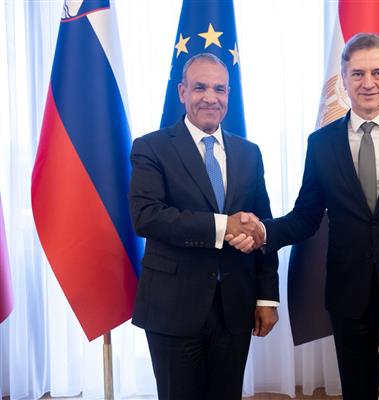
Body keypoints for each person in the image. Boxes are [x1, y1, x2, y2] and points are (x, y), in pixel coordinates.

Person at [227, 33, 379, 400]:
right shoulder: (321, 143)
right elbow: (306, 216)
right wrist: (263, 231)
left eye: (377, 72)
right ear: (344, 79)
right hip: (349, 293)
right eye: (357, 74)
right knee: (357, 390)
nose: (368, 83)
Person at [128, 53, 279, 400]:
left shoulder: (250, 153)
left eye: (219, 89)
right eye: (200, 88)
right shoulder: (151, 147)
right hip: (172, 308)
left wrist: (267, 297)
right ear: (182, 92)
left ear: (228, 95)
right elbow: (147, 216)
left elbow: (263, 226)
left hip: (234, 307)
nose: (210, 97)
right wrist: (223, 226)